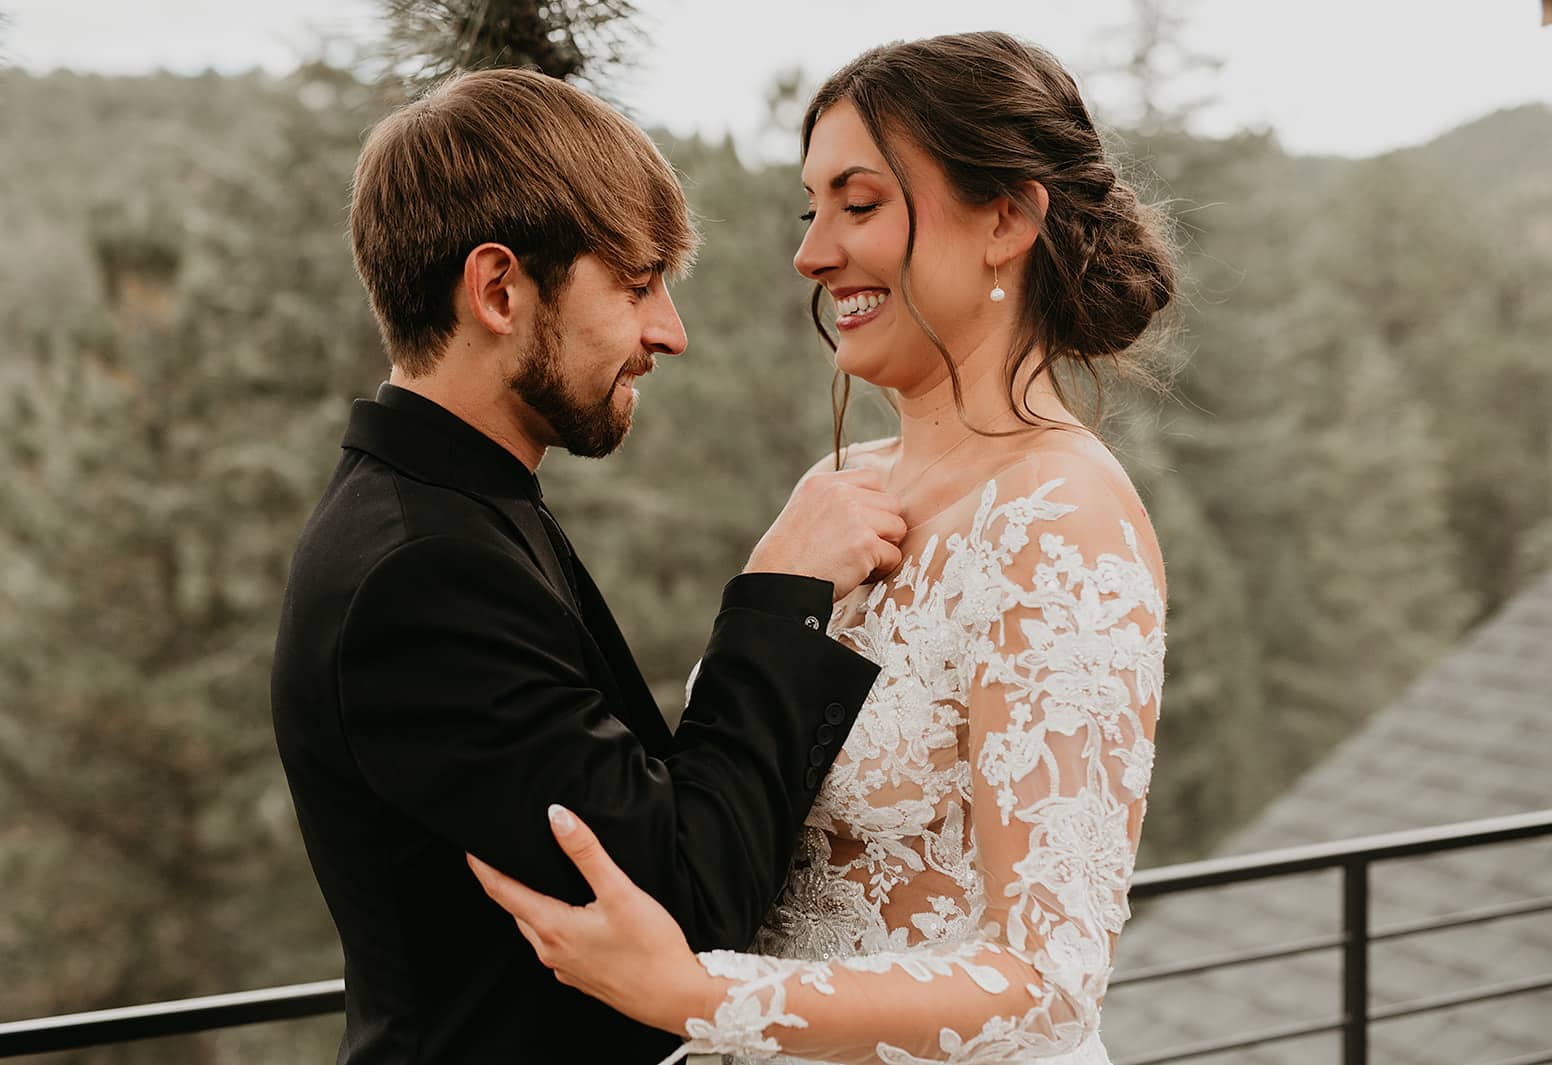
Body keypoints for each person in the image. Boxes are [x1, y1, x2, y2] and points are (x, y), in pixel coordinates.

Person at [467, 31, 1174, 1065]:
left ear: (1007, 219)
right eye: (812, 210)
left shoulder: (1061, 515)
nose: (811, 251)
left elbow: (1048, 984)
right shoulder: (834, 491)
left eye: (859, 203)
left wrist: (697, 994)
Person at [270, 68, 910, 1065]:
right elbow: (689, 901)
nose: (670, 333)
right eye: (634, 283)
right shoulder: (421, 574)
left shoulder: (458, 511)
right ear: (498, 289)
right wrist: (778, 595)